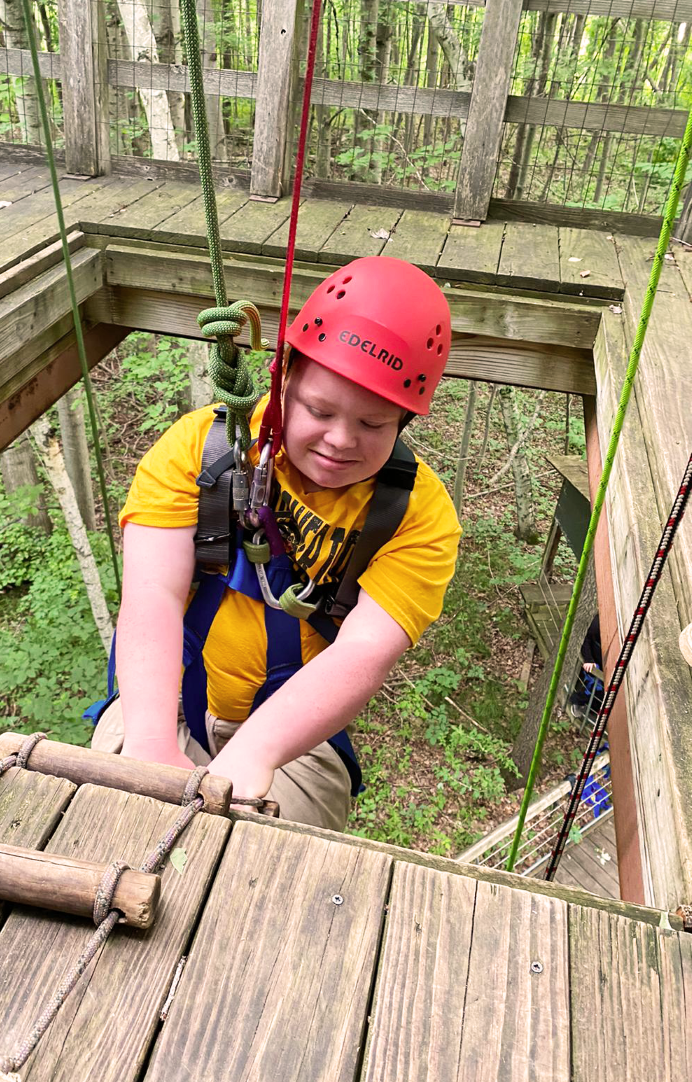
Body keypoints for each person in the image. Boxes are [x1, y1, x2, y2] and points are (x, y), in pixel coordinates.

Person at [90, 256, 462, 831]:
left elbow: (363, 652)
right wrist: (147, 742)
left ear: (403, 423)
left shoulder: (417, 516)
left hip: (294, 735)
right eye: (319, 410)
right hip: (166, 700)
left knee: (259, 875)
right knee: (109, 828)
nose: (340, 440)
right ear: (283, 379)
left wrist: (255, 754)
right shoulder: (204, 449)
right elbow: (152, 593)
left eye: (373, 424)